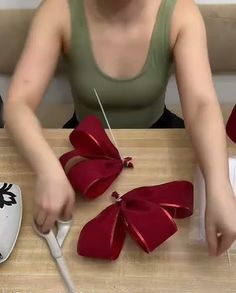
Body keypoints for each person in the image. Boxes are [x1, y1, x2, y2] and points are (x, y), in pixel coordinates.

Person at [3, 0, 236, 256]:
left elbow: (202, 106)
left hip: (158, 134)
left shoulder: (180, 11)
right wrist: (47, 169)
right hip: (86, 142)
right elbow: (18, 104)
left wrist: (220, 187)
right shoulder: (58, 9)